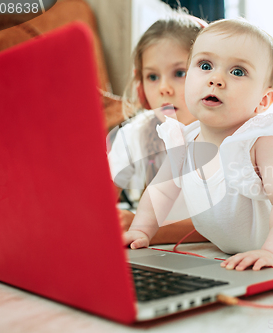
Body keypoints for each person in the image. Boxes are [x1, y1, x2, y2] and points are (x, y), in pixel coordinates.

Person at [123, 18, 273, 270]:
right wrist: (141, 230)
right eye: (205, 65)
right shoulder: (184, 141)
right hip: (232, 244)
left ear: (263, 100)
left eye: (237, 71)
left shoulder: (261, 140)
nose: (216, 79)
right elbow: (160, 192)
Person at [107, 13, 208, 244]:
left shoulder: (227, 136)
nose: (164, 88)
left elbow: (224, 227)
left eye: (179, 73)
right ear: (140, 88)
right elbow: (97, 202)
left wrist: (144, 228)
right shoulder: (134, 134)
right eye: (152, 76)